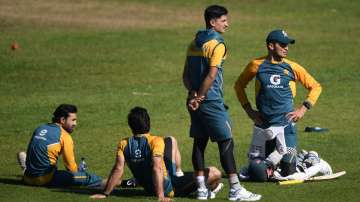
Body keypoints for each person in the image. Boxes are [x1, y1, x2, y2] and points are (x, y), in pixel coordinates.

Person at [182, 4, 261, 201]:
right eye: (224, 21)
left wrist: (193, 95)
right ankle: (235, 189)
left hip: (193, 100)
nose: (227, 24)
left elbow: (185, 75)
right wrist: (201, 96)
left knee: (199, 142)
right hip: (210, 101)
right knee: (226, 142)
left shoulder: (193, 43)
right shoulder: (218, 45)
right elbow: (211, 74)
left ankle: (201, 189)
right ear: (212, 22)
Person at [234, 29, 322, 176]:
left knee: (288, 169)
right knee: (260, 172)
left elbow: (316, 87)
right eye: (282, 44)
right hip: (264, 128)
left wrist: (303, 109)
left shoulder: (293, 67)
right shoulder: (256, 65)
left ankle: (313, 160)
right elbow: (239, 86)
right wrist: (249, 110)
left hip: (286, 125)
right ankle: (275, 163)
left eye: (287, 44)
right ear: (271, 46)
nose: (286, 48)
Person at [90, 107, 224, 201]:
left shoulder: (124, 143)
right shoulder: (155, 141)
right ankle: (204, 188)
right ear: (148, 122)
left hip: (149, 185)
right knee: (215, 173)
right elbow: (157, 167)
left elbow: (118, 169)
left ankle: (179, 172)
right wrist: (161, 196)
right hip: (170, 188)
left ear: (131, 126)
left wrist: (105, 194)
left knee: (170, 140)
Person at [17, 104, 103, 187]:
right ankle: (110, 183)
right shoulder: (64, 136)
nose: (75, 124)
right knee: (87, 178)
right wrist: (80, 173)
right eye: (73, 120)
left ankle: (27, 169)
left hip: (27, 178)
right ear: (62, 120)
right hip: (44, 179)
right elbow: (71, 168)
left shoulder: (40, 128)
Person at [242, 149, 333, 182]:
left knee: (284, 156)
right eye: (268, 168)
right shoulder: (285, 176)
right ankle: (314, 159)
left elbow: (243, 173)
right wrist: (320, 165)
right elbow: (305, 175)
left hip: (289, 158)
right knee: (300, 173)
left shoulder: (253, 173)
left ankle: (305, 157)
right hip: (301, 168)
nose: (270, 168)